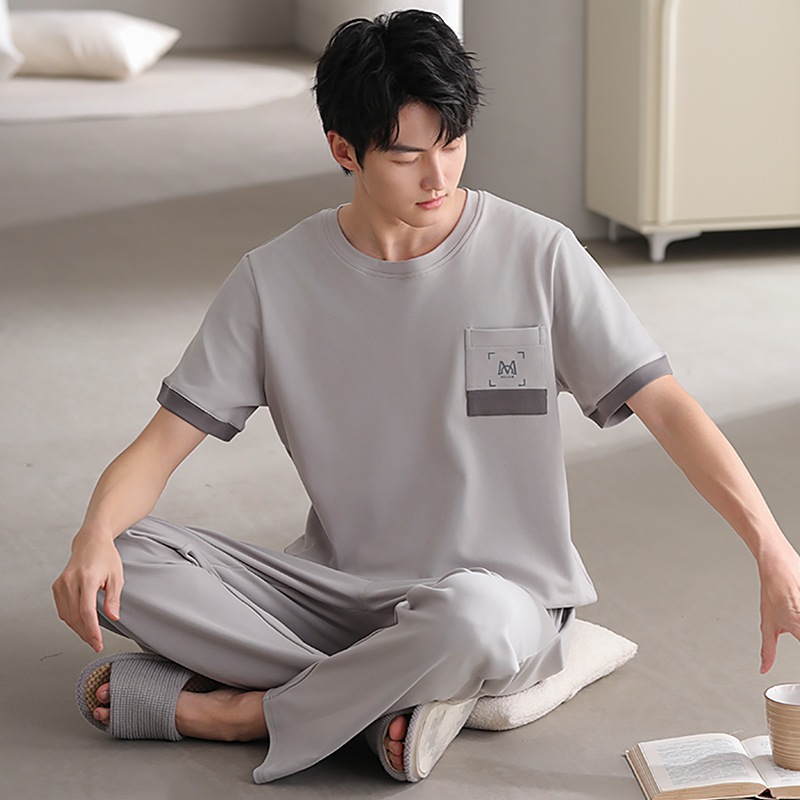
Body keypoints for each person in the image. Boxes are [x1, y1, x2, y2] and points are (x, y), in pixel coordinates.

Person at [53, 9, 800, 785]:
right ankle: (381, 695)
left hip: (500, 601)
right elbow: (160, 445)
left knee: (468, 621)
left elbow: (667, 406)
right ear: (344, 150)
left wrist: (771, 548)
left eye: (451, 144)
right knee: (124, 563)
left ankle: (247, 713)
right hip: (334, 594)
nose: (438, 177)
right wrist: (94, 534)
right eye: (406, 156)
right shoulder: (272, 281)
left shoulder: (538, 253)